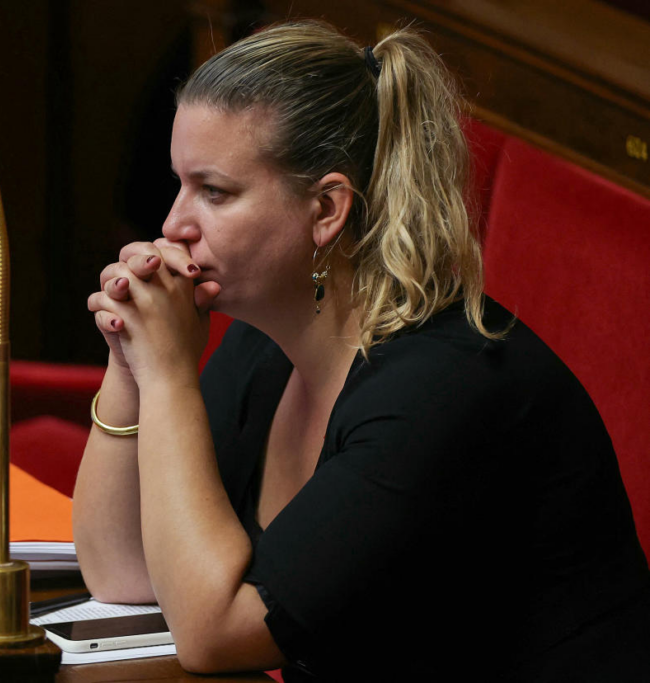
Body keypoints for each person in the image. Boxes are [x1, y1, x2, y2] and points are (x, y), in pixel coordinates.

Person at [73, 21, 650, 682]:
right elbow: (123, 573)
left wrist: (169, 376)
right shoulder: (267, 344)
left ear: (326, 209)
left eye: (215, 192)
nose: (173, 224)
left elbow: (216, 634)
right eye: (179, 184)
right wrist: (130, 363)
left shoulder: (442, 390)